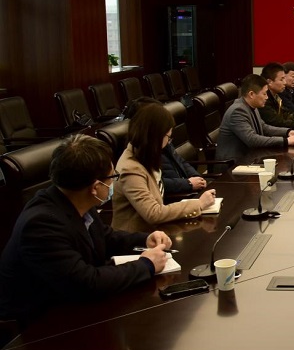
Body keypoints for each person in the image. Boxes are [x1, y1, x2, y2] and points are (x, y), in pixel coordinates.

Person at [0, 135, 171, 326]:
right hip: (36, 325)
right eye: (112, 177)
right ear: (96, 187)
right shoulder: (41, 225)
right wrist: (146, 265)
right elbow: (87, 284)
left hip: (71, 306)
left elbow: (105, 237)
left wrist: (145, 239)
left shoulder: (75, 199)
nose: (114, 183)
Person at [112, 103, 217, 232]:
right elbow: (153, 213)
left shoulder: (146, 155)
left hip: (156, 231)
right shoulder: (130, 169)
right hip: (135, 237)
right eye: (168, 137)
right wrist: (199, 204)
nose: (168, 142)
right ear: (155, 136)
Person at [125, 97, 207, 198]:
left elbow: (180, 161)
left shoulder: (162, 138)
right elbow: (156, 184)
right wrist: (188, 184)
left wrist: (196, 177)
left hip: (186, 190)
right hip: (174, 197)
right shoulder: (140, 151)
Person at [216, 74, 294, 164]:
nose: (267, 97)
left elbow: (264, 127)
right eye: (264, 94)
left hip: (251, 157)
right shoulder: (237, 111)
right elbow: (252, 140)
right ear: (251, 94)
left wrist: (288, 132)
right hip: (234, 164)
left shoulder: (251, 106)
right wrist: (285, 141)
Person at [259, 62, 294, 129]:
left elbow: (286, 114)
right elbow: (277, 122)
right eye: (281, 79)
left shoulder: (275, 95)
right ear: (269, 82)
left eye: (284, 78)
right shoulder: (264, 99)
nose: (284, 82)